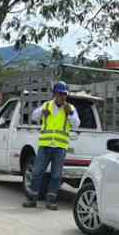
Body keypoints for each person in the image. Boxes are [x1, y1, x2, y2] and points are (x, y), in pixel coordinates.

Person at [23, 81, 79, 210]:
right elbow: (34, 116)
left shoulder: (70, 108)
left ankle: (51, 201)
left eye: (64, 94)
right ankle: (32, 200)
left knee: (56, 175)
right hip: (45, 145)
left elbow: (76, 124)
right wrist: (43, 112)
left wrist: (69, 113)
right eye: (60, 93)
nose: (63, 96)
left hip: (60, 147)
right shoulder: (47, 105)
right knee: (37, 172)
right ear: (54, 94)